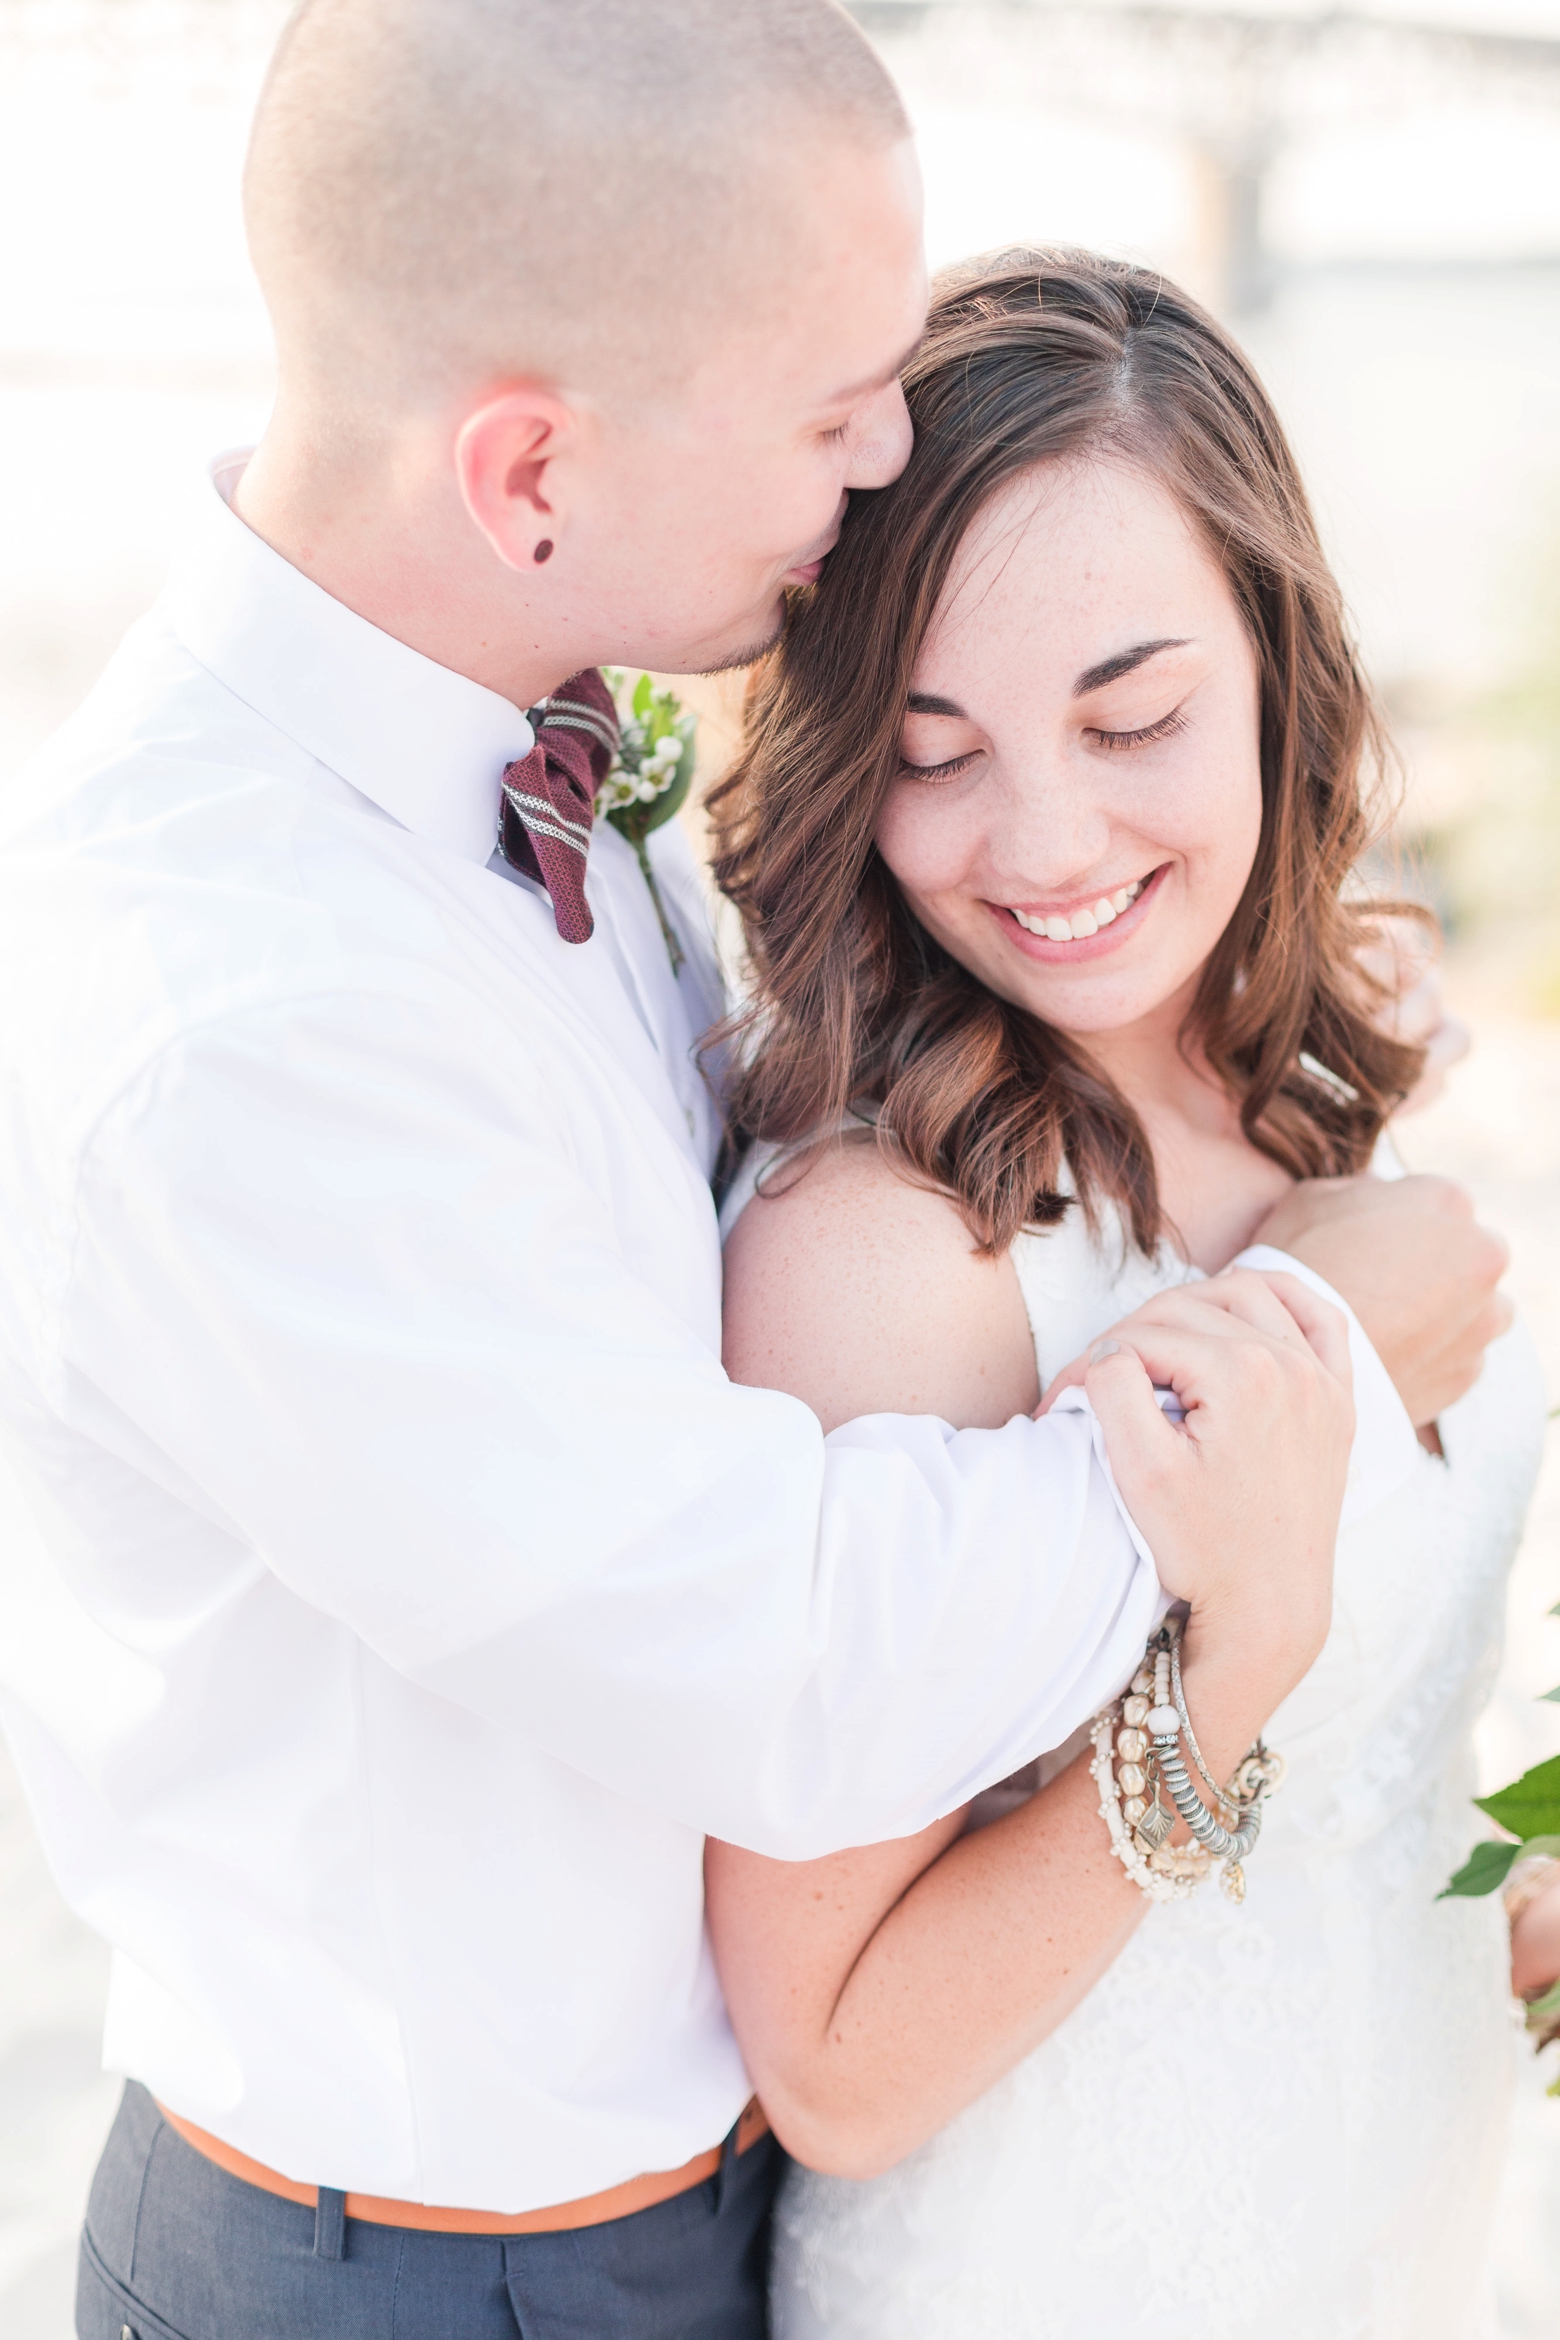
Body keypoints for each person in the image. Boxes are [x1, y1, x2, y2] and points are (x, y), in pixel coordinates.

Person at [0, 3, 1504, 2332]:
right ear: (527, 475)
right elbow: (784, 1657)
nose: (883, 452)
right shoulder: (244, 1013)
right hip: (416, 2274)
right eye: (827, 411)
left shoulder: (526, 751)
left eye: (1135, 714)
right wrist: (1305, 1362)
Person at [706, 249, 1551, 2340]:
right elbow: (835, 2064)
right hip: (1061, 2275)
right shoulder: (885, 1257)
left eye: (1132, 715)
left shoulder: (1354, 1076)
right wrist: (1233, 1667)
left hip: (1408, 2226)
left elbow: (1388, 1777)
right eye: (934, 749)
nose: (1044, 836)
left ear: (1275, 660)